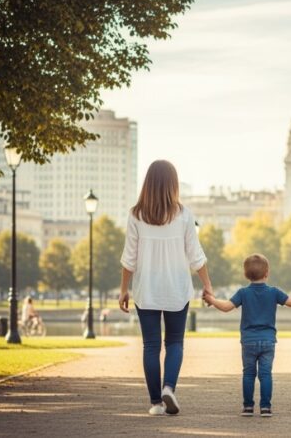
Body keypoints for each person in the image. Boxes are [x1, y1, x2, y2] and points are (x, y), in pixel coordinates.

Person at [118, 160, 212, 416]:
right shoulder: (183, 215)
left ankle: (156, 403)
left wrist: (123, 289)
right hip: (176, 290)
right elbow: (196, 256)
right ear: (173, 184)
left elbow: (129, 258)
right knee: (174, 343)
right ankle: (169, 387)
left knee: (150, 346)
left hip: (146, 290)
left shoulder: (135, 215)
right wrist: (208, 286)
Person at [203, 254, 291, 417]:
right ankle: (265, 407)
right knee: (266, 374)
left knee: (248, 374)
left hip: (248, 342)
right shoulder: (274, 292)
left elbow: (226, 307)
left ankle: (248, 407)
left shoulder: (243, 293)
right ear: (267, 273)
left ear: (245, 274)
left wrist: (211, 299)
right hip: (268, 341)